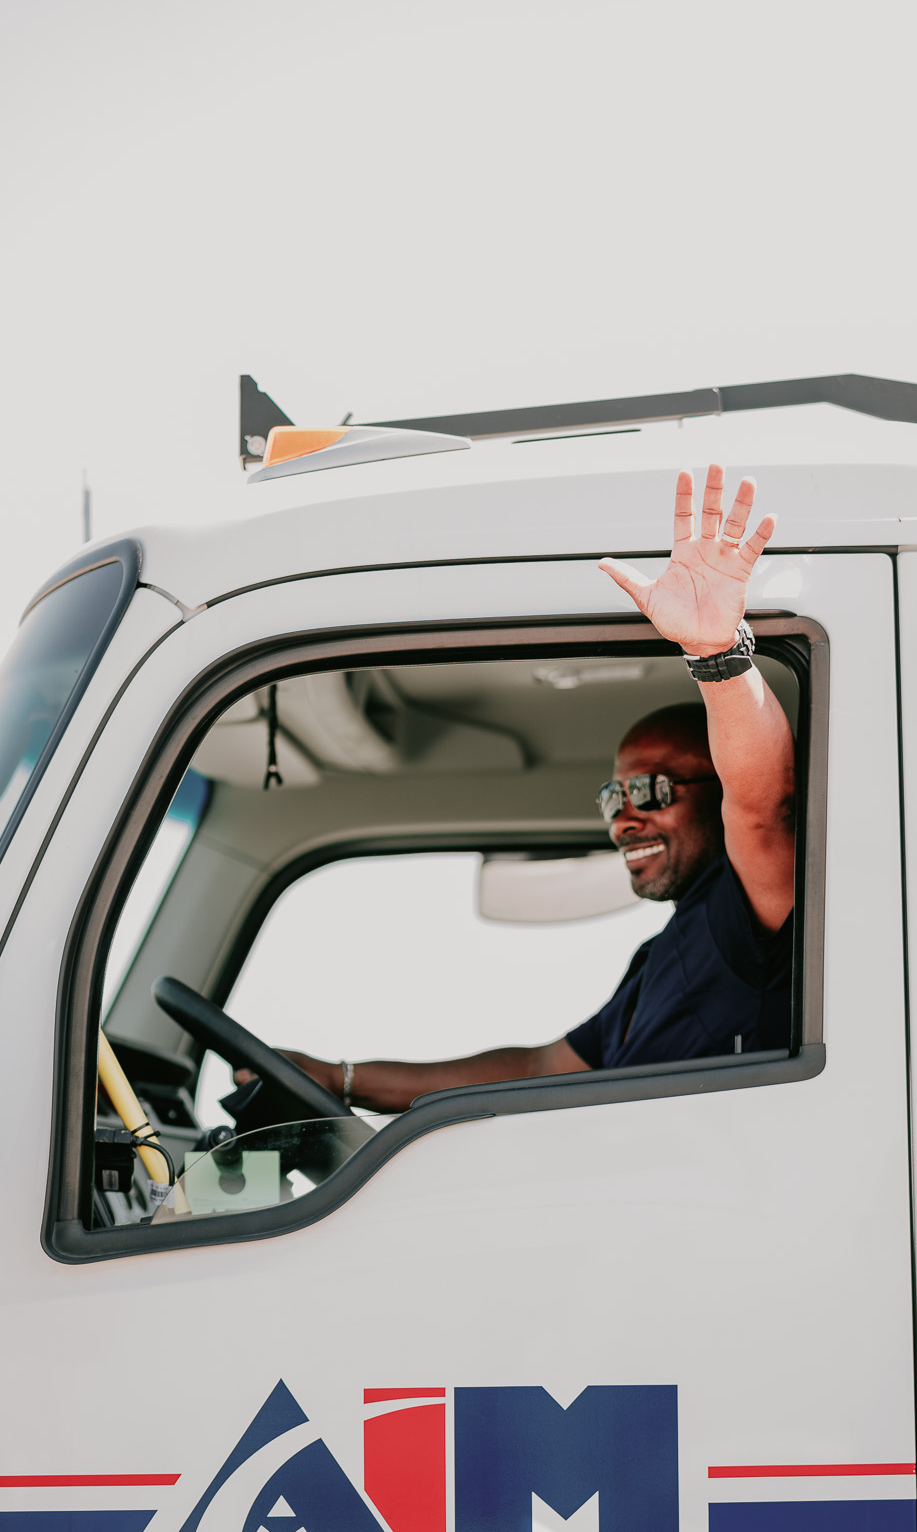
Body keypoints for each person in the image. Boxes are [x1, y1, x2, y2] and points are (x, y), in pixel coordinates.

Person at [279, 464, 795, 1111]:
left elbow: (761, 809)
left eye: (652, 790)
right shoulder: (659, 958)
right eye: (614, 798)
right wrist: (339, 1079)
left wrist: (716, 654)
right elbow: (542, 1066)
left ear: (717, 792)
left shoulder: (750, 914)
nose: (623, 819)